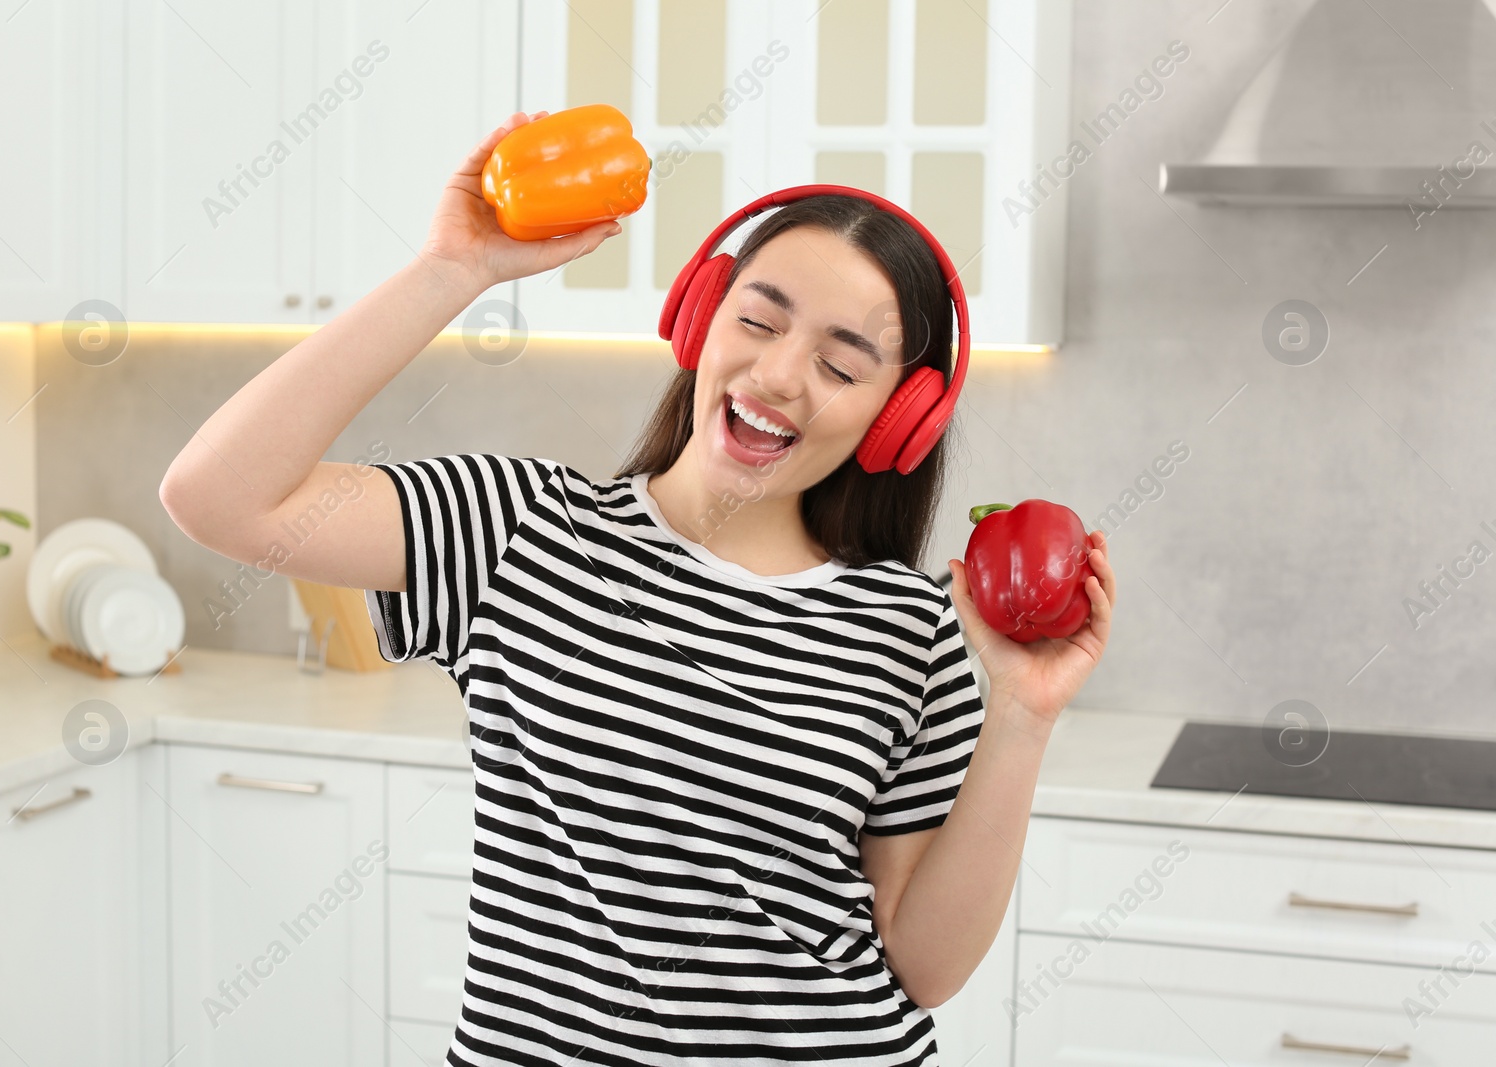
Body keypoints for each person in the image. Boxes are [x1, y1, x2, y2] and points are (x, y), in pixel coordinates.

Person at [161, 111, 1116, 1066]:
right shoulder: (520, 529)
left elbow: (923, 966)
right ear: (699, 318)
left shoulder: (911, 630)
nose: (780, 374)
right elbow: (219, 497)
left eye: (838, 364)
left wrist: (1023, 722)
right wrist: (451, 274)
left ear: (895, 419)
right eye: (758, 318)